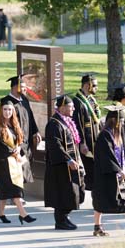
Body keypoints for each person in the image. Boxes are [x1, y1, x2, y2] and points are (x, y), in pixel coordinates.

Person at [91, 106, 125, 236]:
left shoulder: (116, 135)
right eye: (121, 121)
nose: (122, 124)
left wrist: (124, 169)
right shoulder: (105, 135)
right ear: (114, 120)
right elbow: (107, 156)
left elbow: (121, 155)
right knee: (101, 202)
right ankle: (97, 227)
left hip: (117, 174)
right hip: (106, 175)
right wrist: (117, 170)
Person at [0, 99, 36, 224]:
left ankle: (0, 213)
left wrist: (18, 149)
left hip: (14, 162)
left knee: (5, 190)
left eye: (9, 109)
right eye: (4, 109)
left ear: (13, 111)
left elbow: (20, 141)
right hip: (2, 163)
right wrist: (12, 152)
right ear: (0, 111)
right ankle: (23, 214)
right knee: (14, 188)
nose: (7, 112)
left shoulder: (14, 125)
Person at [44, 94, 85, 230]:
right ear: (61, 108)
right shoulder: (54, 124)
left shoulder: (65, 121)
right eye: (70, 107)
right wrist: (68, 159)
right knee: (63, 193)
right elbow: (55, 145)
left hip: (69, 165)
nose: (73, 109)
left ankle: (64, 217)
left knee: (70, 192)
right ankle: (61, 220)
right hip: (60, 166)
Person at [1, 74, 42, 184]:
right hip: (15, 142)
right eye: (23, 87)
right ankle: (15, 196)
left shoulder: (24, 100)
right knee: (17, 169)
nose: (25, 89)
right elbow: (6, 123)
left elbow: (30, 117)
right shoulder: (7, 102)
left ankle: (18, 195)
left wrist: (36, 131)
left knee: (24, 167)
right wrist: (14, 142)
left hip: (26, 140)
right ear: (15, 87)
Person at [73, 73, 101, 190]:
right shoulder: (78, 101)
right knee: (88, 169)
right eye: (94, 85)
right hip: (86, 141)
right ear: (86, 85)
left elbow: (97, 119)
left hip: (95, 138)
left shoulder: (92, 100)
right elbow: (77, 124)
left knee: (95, 169)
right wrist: (82, 143)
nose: (96, 88)